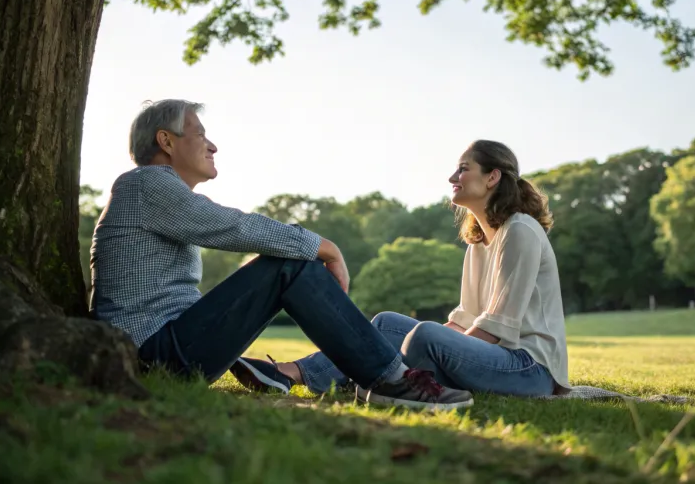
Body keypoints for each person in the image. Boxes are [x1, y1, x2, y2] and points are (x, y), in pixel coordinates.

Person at [89, 99, 473, 410]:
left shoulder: (155, 193)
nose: (212, 145)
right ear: (166, 141)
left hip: (167, 347)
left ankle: (381, 377)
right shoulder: (145, 184)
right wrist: (326, 248)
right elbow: (234, 226)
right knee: (288, 264)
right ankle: (391, 381)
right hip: (151, 353)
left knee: (287, 263)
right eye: (201, 134)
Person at [251, 140, 570, 400]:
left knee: (426, 335)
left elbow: (495, 329)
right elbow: (463, 321)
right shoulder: (478, 242)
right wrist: (410, 344)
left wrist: (430, 346)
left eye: (463, 169)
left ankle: (378, 379)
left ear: (492, 177)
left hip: (530, 369)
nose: (452, 178)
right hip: (493, 358)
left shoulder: (521, 230)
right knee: (388, 324)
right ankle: (293, 372)